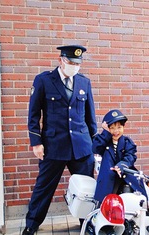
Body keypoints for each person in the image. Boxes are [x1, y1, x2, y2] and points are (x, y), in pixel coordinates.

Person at [23, 45, 97, 235]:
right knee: (43, 188)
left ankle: (86, 223)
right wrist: (36, 142)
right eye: (71, 62)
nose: (74, 66)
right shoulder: (44, 80)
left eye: (77, 63)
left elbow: (90, 117)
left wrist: (93, 144)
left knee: (87, 189)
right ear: (61, 60)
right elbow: (33, 115)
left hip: (81, 147)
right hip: (53, 146)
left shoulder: (84, 82)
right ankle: (32, 224)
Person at [92, 109, 147, 205]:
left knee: (137, 201)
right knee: (105, 206)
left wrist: (122, 165)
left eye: (119, 127)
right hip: (108, 181)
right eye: (112, 128)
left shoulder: (127, 142)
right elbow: (95, 148)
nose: (116, 131)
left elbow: (130, 156)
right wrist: (105, 133)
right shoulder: (104, 142)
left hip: (125, 177)